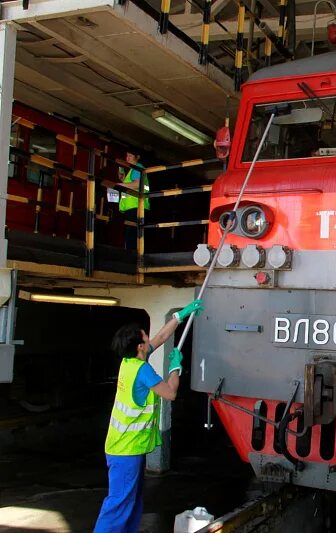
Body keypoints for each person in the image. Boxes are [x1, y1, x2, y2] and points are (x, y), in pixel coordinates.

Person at [94, 299, 204, 533]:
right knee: (119, 504)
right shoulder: (142, 371)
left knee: (131, 502)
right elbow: (170, 392)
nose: (148, 338)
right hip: (126, 450)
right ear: (140, 347)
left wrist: (180, 315)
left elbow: (161, 337)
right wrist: (176, 367)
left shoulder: (129, 362)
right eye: (145, 337)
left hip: (122, 447)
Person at [118, 153, 149, 251]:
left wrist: (120, 185)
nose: (127, 158)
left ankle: (132, 260)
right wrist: (122, 180)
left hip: (136, 206)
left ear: (137, 157)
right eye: (126, 156)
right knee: (132, 236)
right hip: (133, 206)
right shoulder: (132, 170)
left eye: (130, 156)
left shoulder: (138, 167)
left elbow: (137, 184)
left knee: (132, 236)